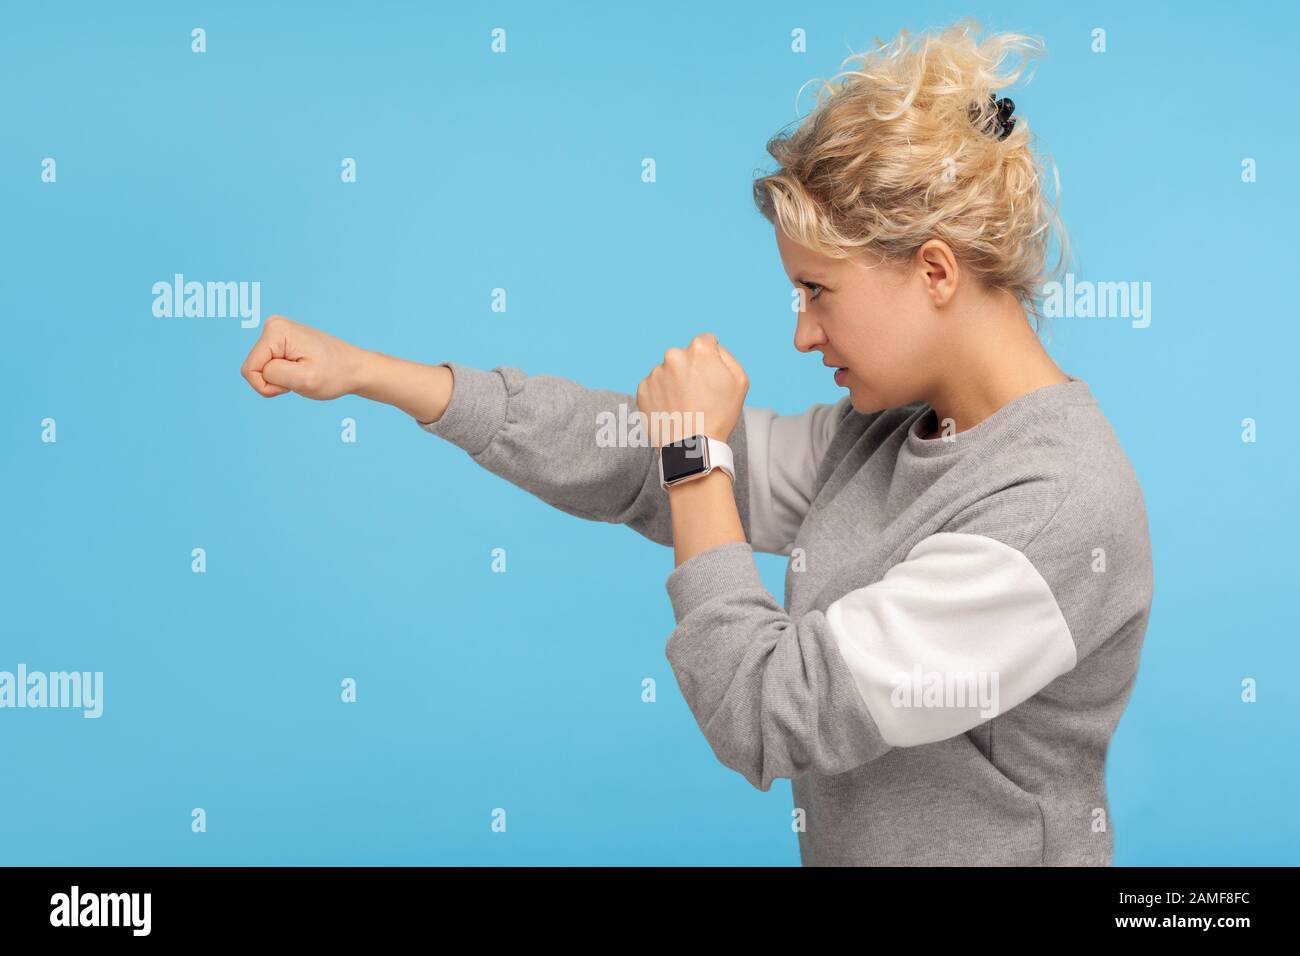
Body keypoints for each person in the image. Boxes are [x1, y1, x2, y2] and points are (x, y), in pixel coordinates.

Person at [239, 20, 1152, 866]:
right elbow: (641, 465)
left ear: (935, 271)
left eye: (818, 291)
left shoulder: (1053, 508)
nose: (802, 334)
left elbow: (769, 709)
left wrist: (692, 459)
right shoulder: (887, 437)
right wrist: (375, 374)